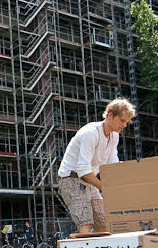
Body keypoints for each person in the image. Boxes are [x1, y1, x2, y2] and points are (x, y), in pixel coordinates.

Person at [56, 97, 136, 235]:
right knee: (86, 222)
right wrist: (106, 188)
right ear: (110, 115)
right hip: (71, 179)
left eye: (127, 122)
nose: (124, 125)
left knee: (104, 222)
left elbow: (112, 164)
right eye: (122, 120)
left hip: (89, 180)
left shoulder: (114, 136)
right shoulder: (90, 133)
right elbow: (82, 169)